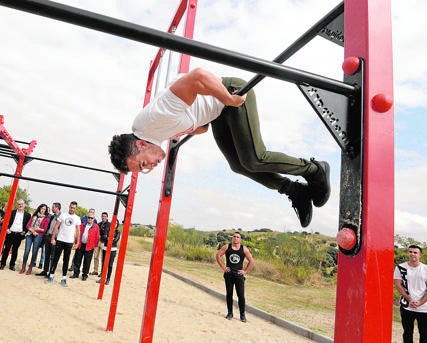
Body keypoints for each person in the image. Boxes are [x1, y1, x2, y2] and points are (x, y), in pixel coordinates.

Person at [108, 68, 330, 228]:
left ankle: (314, 169)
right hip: (219, 113)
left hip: (231, 93)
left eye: (143, 164)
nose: (150, 167)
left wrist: (228, 99)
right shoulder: (153, 133)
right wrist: (193, 126)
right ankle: (295, 190)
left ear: (140, 144)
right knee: (238, 166)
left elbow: (198, 77)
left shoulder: (155, 120)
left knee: (254, 159)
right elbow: (198, 124)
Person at [215, 232, 254, 322]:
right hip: (229, 274)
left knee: (241, 295)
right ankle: (230, 313)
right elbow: (218, 255)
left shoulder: (244, 249)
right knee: (229, 294)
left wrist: (245, 271)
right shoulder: (227, 247)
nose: (236, 238)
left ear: (240, 239)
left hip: (239, 275)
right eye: (234, 236)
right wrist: (223, 267)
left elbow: (251, 261)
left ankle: (242, 315)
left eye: (238, 237)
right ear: (232, 238)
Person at [394, 245, 427, 342]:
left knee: (424, 334)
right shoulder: (400, 267)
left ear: (420, 255)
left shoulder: (425, 269)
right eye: (410, 252)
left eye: (415, 252)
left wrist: (420, 302)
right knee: (407, 332)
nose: (412, 254)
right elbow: (398, 285)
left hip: (424, 308)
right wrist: (409, 299)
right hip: (407, 306)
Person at [46, 201, 81, 287]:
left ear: (76, 208)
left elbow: (78, 231)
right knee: (55, 259)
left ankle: (64, 278)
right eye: (71, 207)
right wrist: (53, 238)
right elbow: (56, 227)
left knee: (66, 260)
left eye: (74, 208)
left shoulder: (77, 218)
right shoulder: (63, 215)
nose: (72, 209)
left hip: (69, 242)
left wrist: (77, 242)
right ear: (69, 206)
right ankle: (51, 276)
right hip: (60, 240)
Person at [0, 199, 30, 271]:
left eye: (22, 204)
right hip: (10, 233)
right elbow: (6, 221)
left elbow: (28, 225)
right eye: (19, 204)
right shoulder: (11, 212)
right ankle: (2, 264)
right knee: (6, 249)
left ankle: (12, 265)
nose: (20, 205)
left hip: (19, 235)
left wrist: (24, 232)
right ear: (17, 205)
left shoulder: (28, 215)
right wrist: (7, 229)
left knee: (15, 250)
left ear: (24, 205)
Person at [71, 209, 100, 281]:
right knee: (77, 260)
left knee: (87, 262)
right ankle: (76, 273)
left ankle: (84, 275)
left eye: (91, 218)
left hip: (89, 247)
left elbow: (97, 237)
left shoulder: (96, 227)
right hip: (81, 245)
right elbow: (77, 234)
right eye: (89, 217)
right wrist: (76, 242)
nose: (90, 219)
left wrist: (94, 246)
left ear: (94, 219)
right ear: (87, 218)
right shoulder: (82, 224)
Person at [20, 203, 50, 275]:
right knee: (26, 251)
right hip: (29, 234)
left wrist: (39, 229)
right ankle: (23, 267)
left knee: (34, 252)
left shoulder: (46, 218)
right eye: (42, 208)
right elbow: (28, 225)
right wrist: (33, 231)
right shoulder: (34, 216)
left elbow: (45, 229)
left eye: (44, 209)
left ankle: (30, 268)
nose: (43, 210)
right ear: (39, 208)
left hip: (38, 236)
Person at [36, 202, 61, 277]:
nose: (52, 208)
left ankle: (51, 273)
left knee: (52, 256)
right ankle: (45, 271)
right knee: (47, 255)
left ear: (57, 208)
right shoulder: (52, 217)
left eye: (53, 207)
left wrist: (56, 238)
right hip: (48, 236)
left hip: (55, 238)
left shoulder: (61, 217)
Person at [97, 219, 120, 286]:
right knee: (104, 264)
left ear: (117, 224)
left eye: (116, 223)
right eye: (113, 223)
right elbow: (104, 238)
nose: (114, 224)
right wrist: (109, 238)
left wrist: (109, 238)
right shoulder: (107, 230)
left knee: (110, 265)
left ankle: (108, 279)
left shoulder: (118, 232)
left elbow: (116, 240)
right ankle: (102, 278)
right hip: (105, 248)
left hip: (112, 250)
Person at [92, 212, 110, 276]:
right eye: (102, 216)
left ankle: (103, 272)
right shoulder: (98, 224)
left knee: (103, 258)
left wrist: (102, 236)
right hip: (97, 242)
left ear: (107, 217)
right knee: (96, 256)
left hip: (104, 243)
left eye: (105, 216)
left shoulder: (109, 224)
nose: (103, 217)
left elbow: (107, 233)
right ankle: (95, 270)